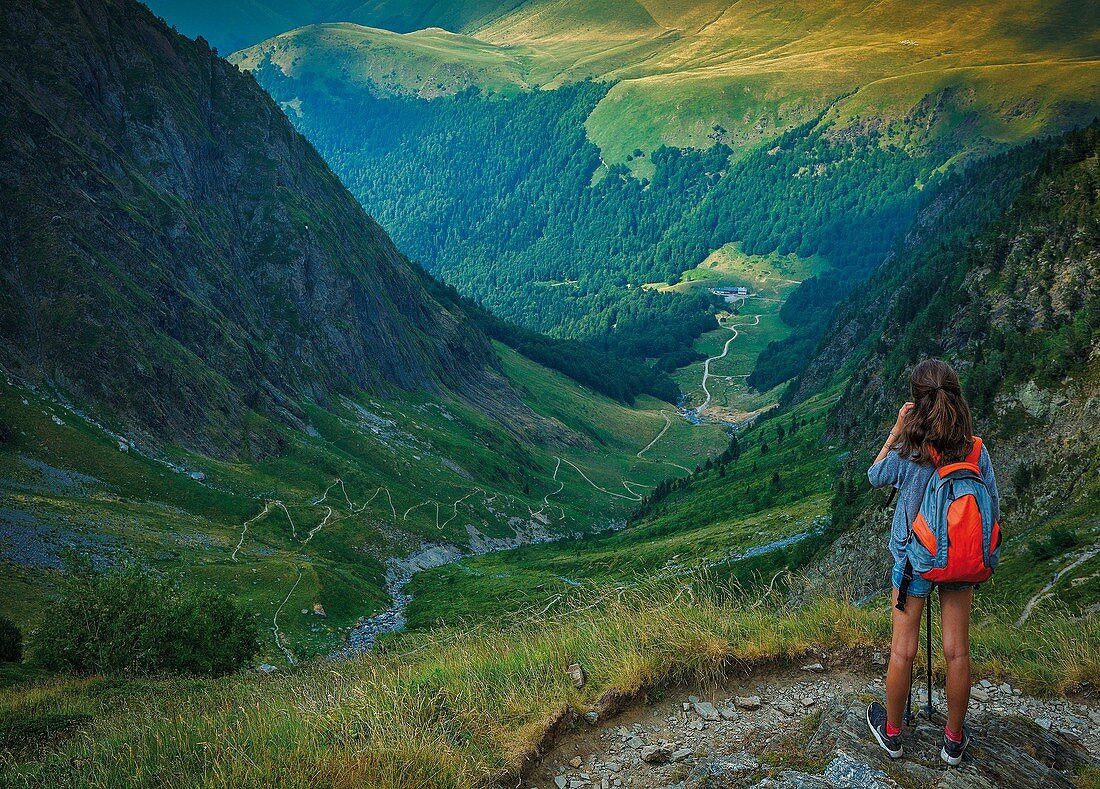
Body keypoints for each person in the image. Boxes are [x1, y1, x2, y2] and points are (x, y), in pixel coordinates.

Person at [863, 359, 999, 766]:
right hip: (958, 560)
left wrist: (897, 430)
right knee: (957, 652)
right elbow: (990, 504)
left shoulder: (910, 450)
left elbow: (874, 475)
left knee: (902, 650)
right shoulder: (976, 450)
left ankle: (892, 735)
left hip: (912, 560)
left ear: (918, 405)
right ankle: (953, 741)